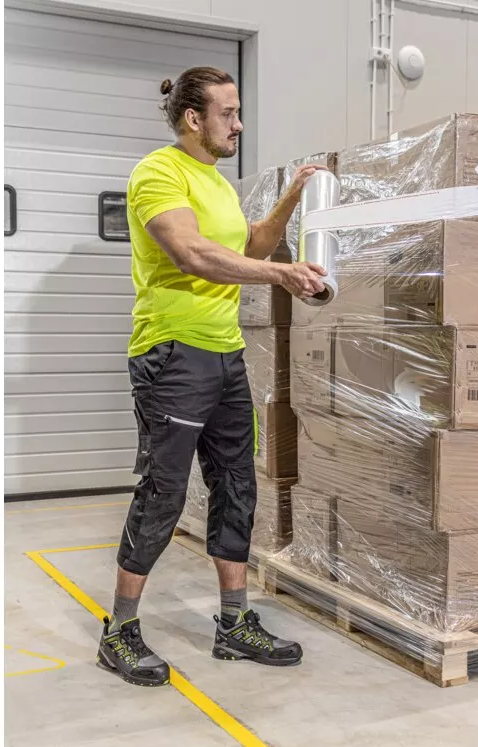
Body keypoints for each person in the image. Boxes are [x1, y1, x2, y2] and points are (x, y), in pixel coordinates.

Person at [96, 65, 329, 687]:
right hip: (172, 355)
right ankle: (119, 632)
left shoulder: (217, 184)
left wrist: (292, 196)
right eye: (228, 113)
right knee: (164, 493)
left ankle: (233, 623)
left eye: (239, 112)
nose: (239, 124)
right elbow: (192, 253)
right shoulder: (158, 173)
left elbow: (252, 246)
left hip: (225, 353)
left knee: (236, 486)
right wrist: (281, 277)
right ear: (193, 118)